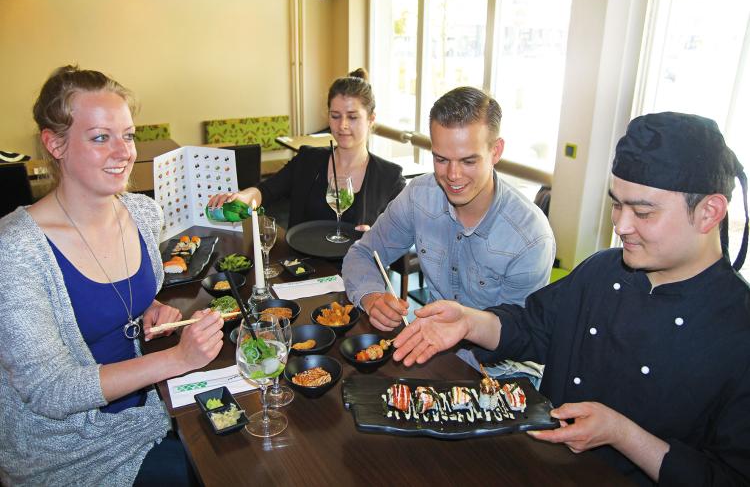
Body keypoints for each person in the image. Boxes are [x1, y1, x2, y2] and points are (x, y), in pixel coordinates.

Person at [391, 112, 750, 485]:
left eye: (642, 212)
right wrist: (468, 320)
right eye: (617, 204)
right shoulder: (603, 271)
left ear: (709, 212)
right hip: (543, 467)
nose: (621, 225)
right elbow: (531, 326)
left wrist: (623, 434)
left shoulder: (739, 330)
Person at [0, 65, 224, 486]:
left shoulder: (142, 213)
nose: (123, 152)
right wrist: (177, 359)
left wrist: (152, 307)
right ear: (55, 144)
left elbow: (120, 299)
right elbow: (51, 391)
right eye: (101, 137)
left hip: (155, 408)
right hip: (71, 451)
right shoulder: (15, 251)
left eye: (128, 134)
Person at [342, 86, 555, 382]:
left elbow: (520, 339)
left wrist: (465, 329)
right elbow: (362, 254)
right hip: (434, 354)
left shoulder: (529, 236)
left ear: (496, 151)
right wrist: (372, 296)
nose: (453, 175)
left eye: (468, 161)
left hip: (503, 372)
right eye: (441, 159)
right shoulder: (419, 196)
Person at [208, 68, 406, 231]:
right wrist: (243, 197)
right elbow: (266, 191)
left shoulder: (390, 177)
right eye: (335, 116)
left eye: (352, 117)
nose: (342, 125)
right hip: (304, 270)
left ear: (371, 119)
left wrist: (378, 238)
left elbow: (402, 237)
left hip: (357, 275)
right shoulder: (307, 160)